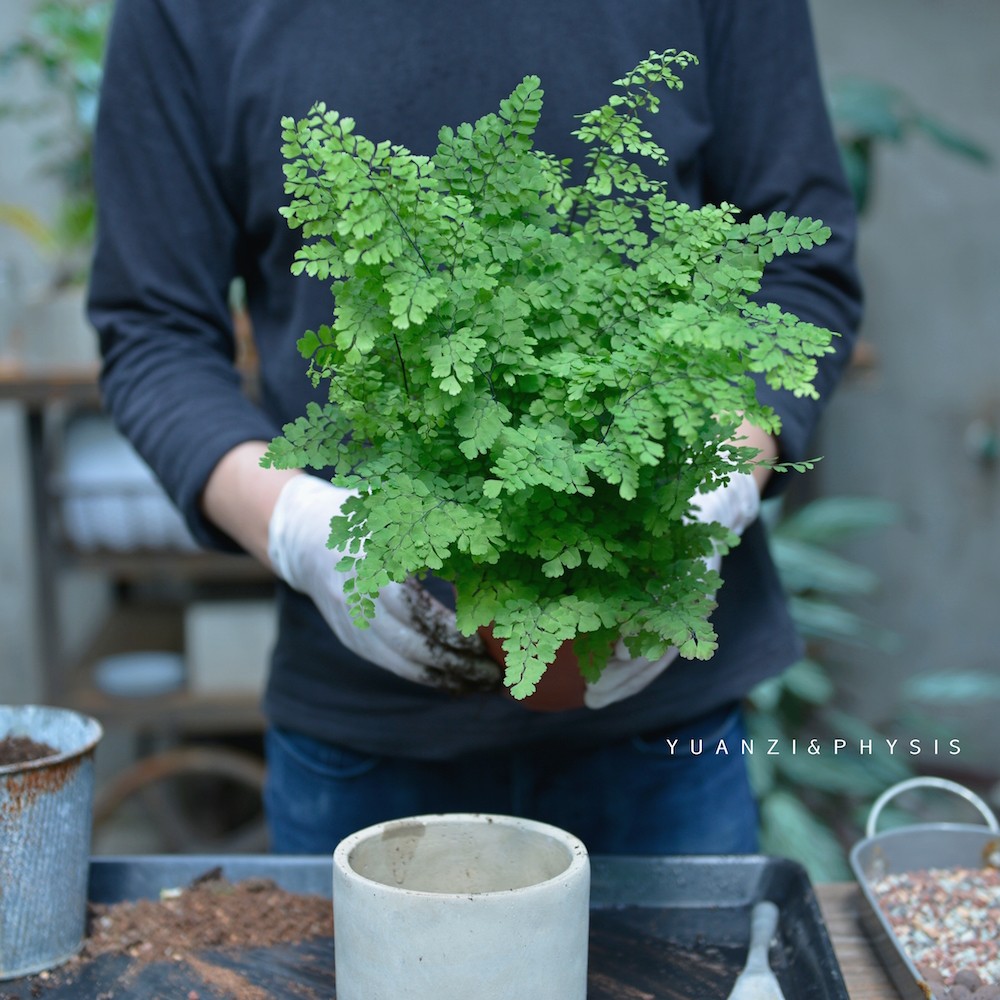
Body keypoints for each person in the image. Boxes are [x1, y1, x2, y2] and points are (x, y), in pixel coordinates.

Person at [88, 0, 862, 855]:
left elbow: (801, 270)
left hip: (665, 733)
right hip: (362, 745)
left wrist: (723, 472)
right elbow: (152, 332)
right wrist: (296, 526)